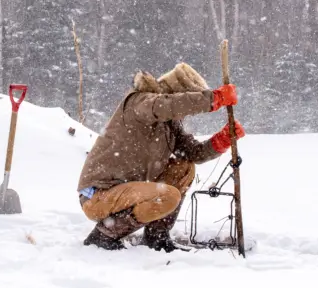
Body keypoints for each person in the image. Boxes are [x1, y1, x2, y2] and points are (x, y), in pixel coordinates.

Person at [76, 62, 245, 252]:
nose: (183, 115)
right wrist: (213, 99)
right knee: (167, 196)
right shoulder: (140, 102)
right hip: (99, 194)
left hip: (129, 190)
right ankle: (105, 235)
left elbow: (193, 153)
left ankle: (157, 236)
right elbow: (165, 105)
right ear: (177, 94)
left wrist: (221, 140)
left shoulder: (169, 124)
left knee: (184, 167)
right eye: (185, 102)